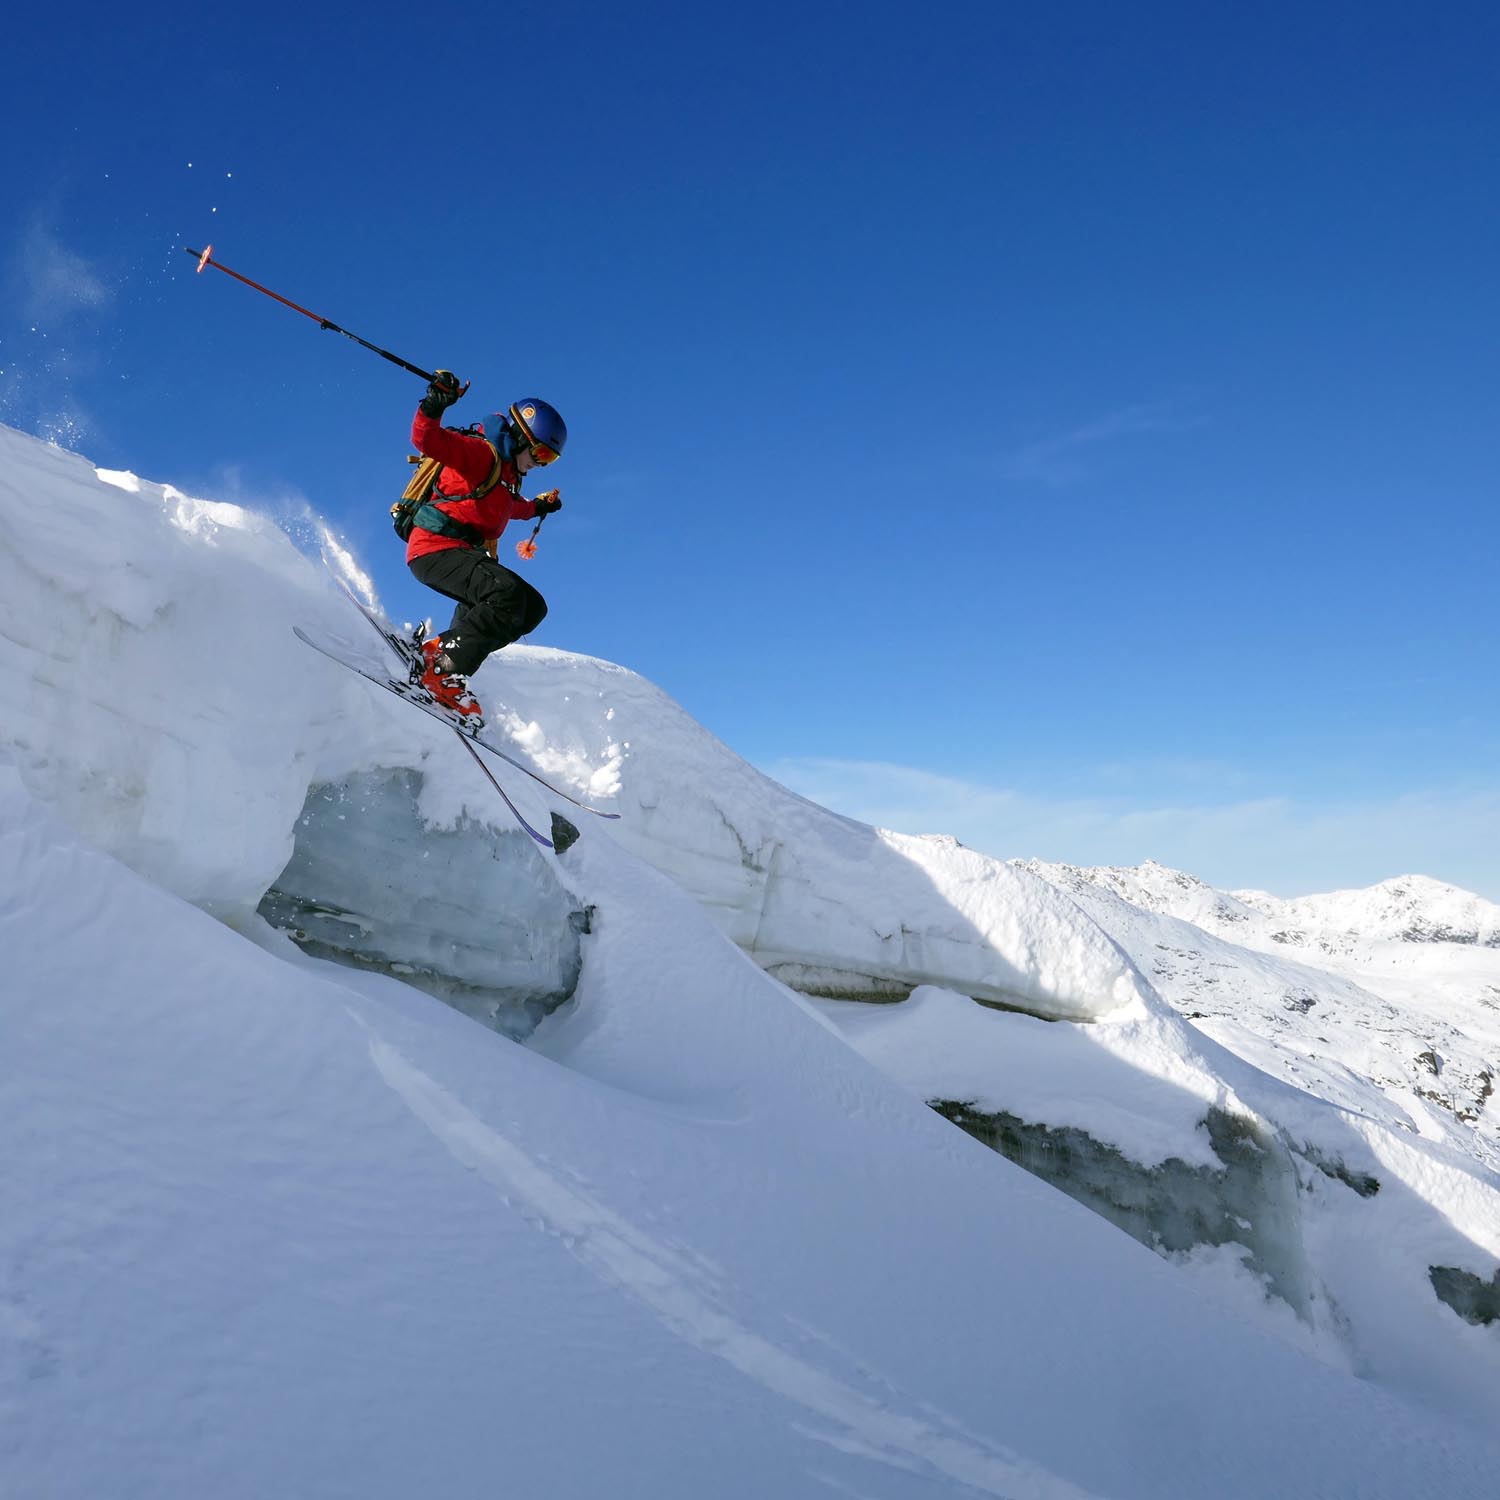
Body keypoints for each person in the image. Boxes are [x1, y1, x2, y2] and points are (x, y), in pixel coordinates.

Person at [404, 370, 566, 723]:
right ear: (522, 437)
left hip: (462, 555)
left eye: (549, 459)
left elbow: (513, 508)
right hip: (433, 548)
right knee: (505, 593)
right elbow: (427, 440)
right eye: (539, 452)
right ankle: (441, 665)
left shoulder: (508, 477)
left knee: (533, 608)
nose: (539, 463)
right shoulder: (481, 454)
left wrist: (539, 507)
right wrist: (435, 404)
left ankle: (448, 667)